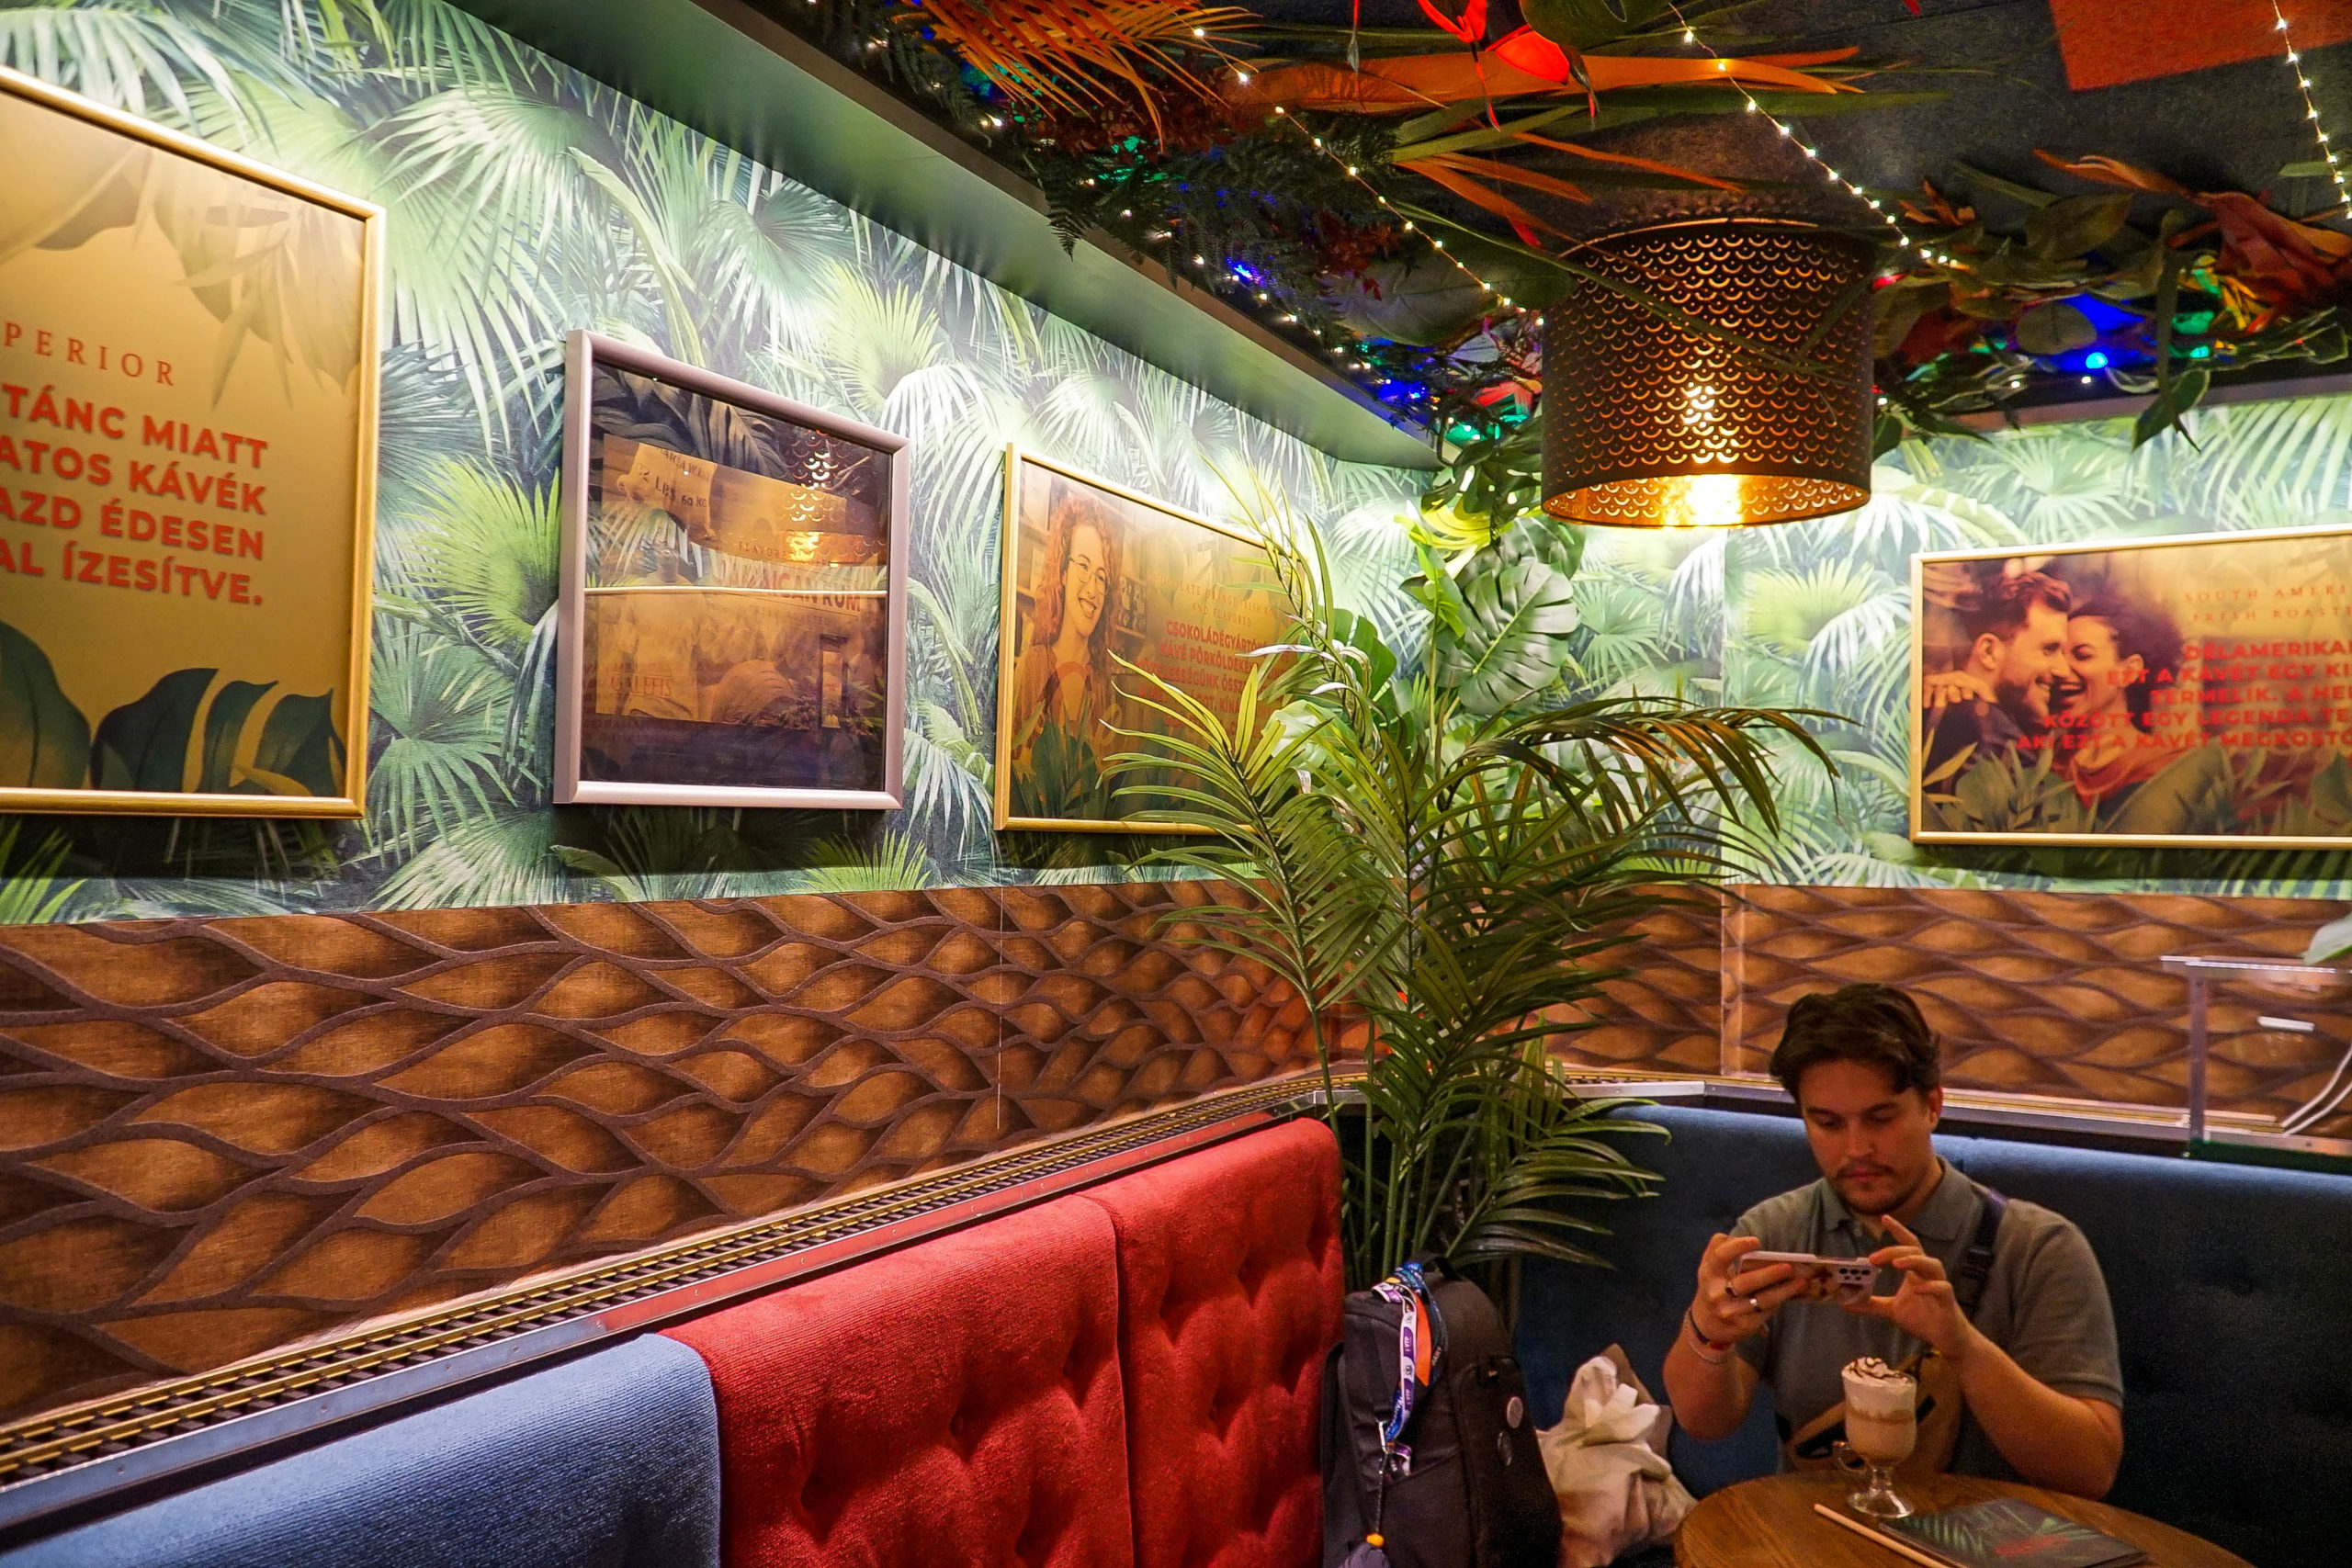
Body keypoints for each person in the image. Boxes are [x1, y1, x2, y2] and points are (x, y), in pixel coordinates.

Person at [1661, 984, 2124, 1498]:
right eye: (1827, 1123)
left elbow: (2089, 1471)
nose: (1856, 1148)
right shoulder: (1773, 1231)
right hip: (1816, 1530)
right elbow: (1705, 1424)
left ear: (1932, 1106)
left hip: (1987, 1536)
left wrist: (1962, 1346)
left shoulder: (2040, 1248)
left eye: (1880, 1118)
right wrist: (1708, 1331)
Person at [1009, 488, 1125, 817]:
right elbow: (1014, 776)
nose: (1093, 588)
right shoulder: (1036, 665)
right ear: (1062, 572)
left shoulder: (1102, 682)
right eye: (1083, 566)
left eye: (1102, 577)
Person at [1920, 570, 2072, 785]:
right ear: (1989, 652)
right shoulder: (1981, 734)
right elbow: (2035, 804)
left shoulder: (1952, 717)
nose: (2064, 670)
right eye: (2049, 649)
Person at [2049, 593, 2188, 812]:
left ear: (2129, 672)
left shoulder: (2165, 767)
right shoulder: (2050, 762)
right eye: (2057, 654)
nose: (2061, 670)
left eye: (2083, 655)